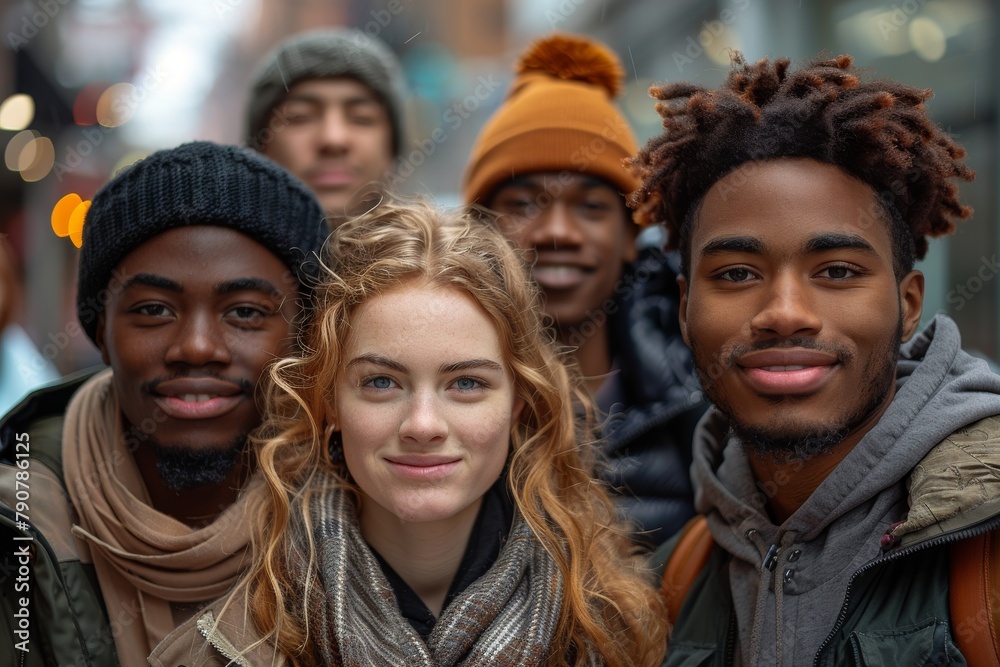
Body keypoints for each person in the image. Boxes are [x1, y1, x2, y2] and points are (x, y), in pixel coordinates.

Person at [150, 198, 668, 666]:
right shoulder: (230, 641)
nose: (423, 425)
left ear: (519, 403)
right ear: (327, 400)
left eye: (466, 383)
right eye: (381, 382)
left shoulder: (609, 629)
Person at [632, 53, 1000, 665]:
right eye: (738, 273)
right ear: (683, 306)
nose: (785, 311)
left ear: (908, 306)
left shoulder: (985, 554)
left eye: (836, 271)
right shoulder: (670, 583)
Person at [0, 141, 327, 667]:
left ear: (304, 340)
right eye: (154, 309)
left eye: (244, 312)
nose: (197, 346)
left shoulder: (366, 518)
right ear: (100, 332)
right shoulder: (13, 522)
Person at [462, 33, 705, 547]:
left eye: (591, 206)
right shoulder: (430, 403)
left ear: (632, 238)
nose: (557, 233)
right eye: (525, 203)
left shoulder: (703, 387)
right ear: (479, 229)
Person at [244, 28, 407, 223]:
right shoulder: (212, 252)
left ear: (391, 148)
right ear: (260, 147)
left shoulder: (443, 253)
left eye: (362, 117)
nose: (333, 138)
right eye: (299, 117)